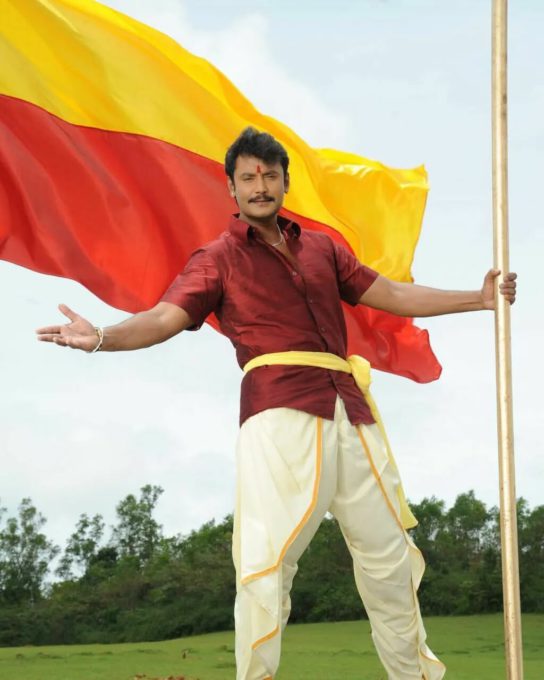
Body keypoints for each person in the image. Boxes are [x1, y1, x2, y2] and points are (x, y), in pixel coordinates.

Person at [37, 127, 517, 680]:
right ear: (232, 188)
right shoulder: (216, 258)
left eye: (269, 175)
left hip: (352, 412)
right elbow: (165, 317)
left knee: (390, 561)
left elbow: (391, 294)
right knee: (267, 564)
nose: (260, 186)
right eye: (248, 178)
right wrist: (102, 336)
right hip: (279, 413)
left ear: (285, 182)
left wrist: (478, 299)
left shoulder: (323, 247)